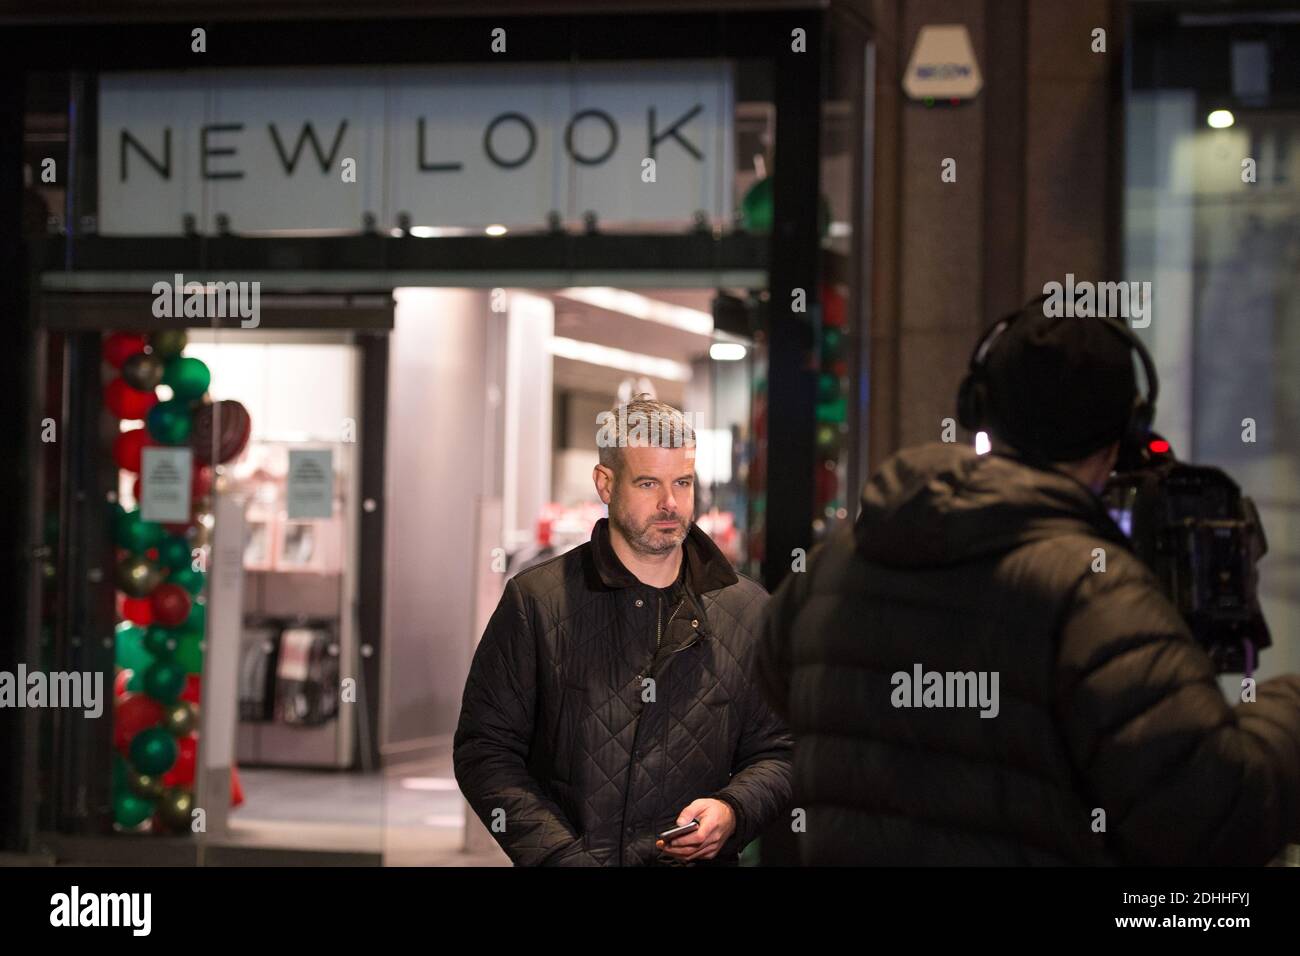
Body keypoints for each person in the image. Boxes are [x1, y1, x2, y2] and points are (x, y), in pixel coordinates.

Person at [757, 299, 1300, 865]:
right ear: (1124, 437)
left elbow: (779, 682)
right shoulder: (1094, 593)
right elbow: (1214, 814)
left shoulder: (834, 564)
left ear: (980, 408)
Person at [454, 394, 792, 865]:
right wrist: (558, 856)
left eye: (683, 482)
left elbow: (781, 751)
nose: (670, 503)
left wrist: (732, 810)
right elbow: (485, 752)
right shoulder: (537, 601)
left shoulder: (747, 609)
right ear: (605, 484)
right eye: (649, 482)